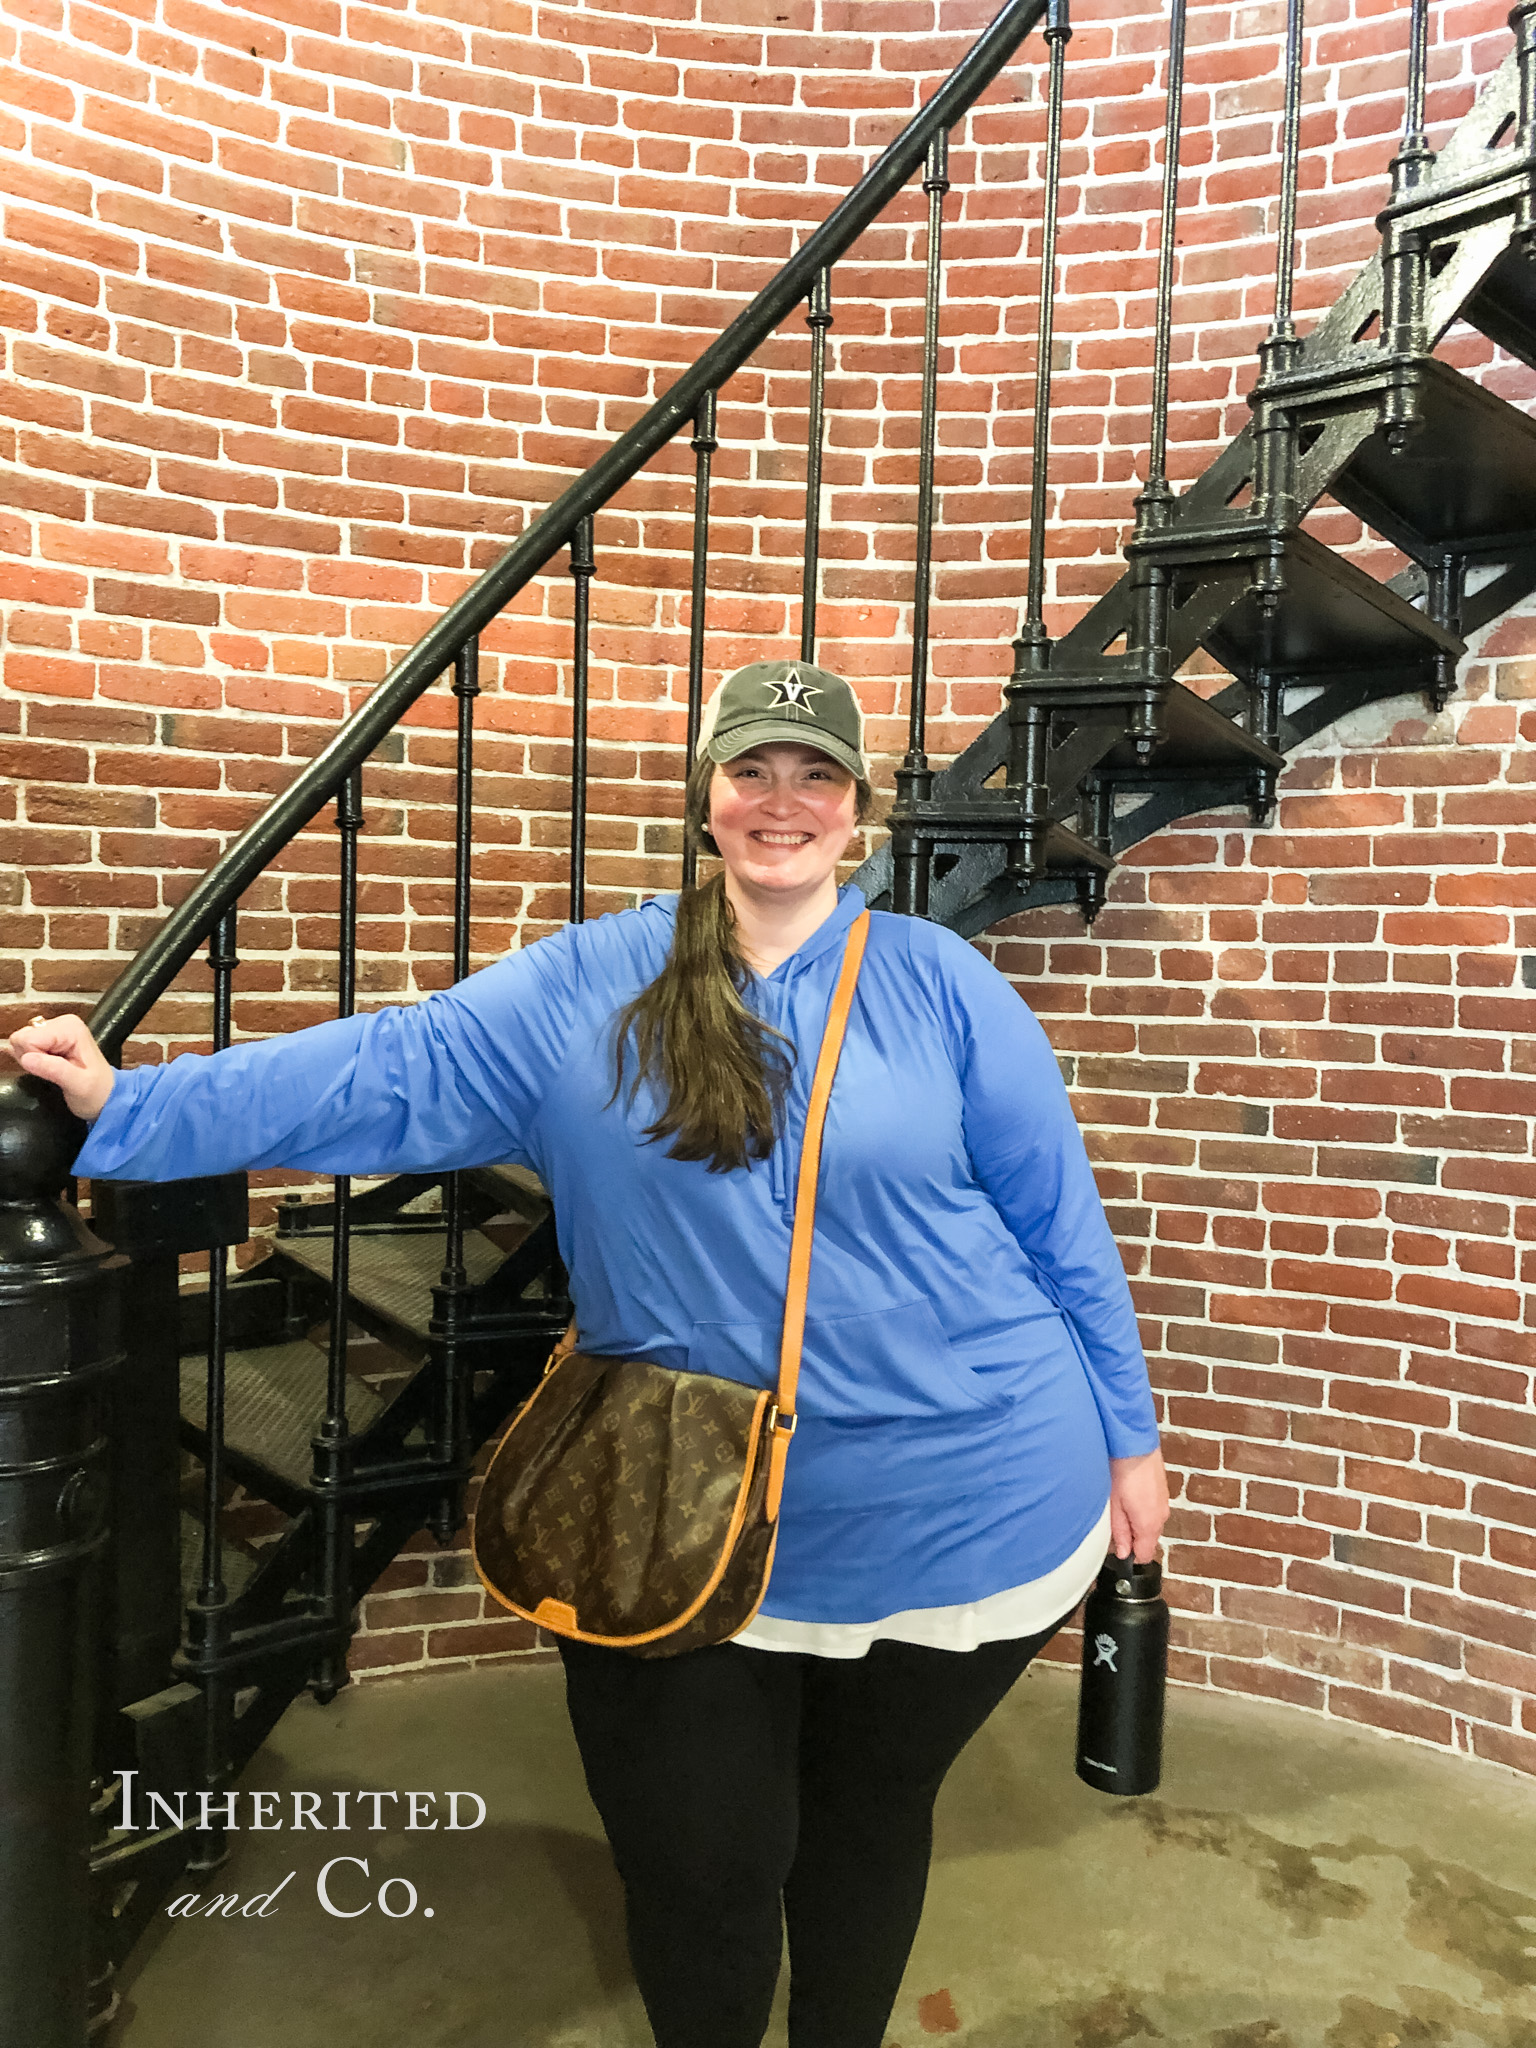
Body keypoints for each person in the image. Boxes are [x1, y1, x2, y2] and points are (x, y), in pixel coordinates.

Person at [12, 658, 1168, 2048]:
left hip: (966, 1499)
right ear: (709, 798)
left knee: (872, 1816)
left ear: (858, 810)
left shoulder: (945, 987)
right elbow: (392, 1071)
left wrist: (1131, 1436)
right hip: (674, 1514)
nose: (783, 802)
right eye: (754, 771)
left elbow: (1059, 1227)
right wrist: (134, 1106)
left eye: (816, 775)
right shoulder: (592, 986)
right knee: (704, 1871)